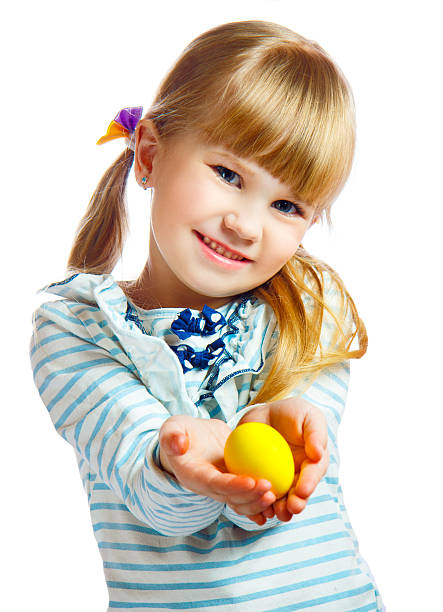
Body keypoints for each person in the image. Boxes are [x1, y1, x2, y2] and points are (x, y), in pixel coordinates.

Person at [30, 20, 384, 611]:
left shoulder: (306, 315)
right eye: (228, 174)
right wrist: (179, 462)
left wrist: (275, 441)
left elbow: (268, 512)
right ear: (149, 153)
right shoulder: (77, 331)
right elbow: (154, 501)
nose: (245, 224)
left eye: (286, 204)